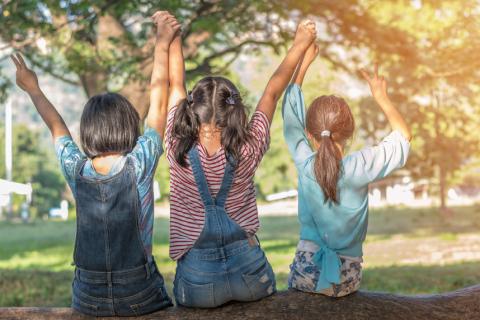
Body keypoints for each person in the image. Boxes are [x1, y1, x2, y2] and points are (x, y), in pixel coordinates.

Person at [10, 11, 180, 316]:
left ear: (88, 131)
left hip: (88, 297)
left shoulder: (76, 171)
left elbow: (56, 126)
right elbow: (158, 99)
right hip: (139, 293)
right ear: (130, 127)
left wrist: (33, 88)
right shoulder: (139, 164)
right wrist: (162, 43)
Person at [164, 20, 317, 307]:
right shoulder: (250, 146)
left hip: (198, 282)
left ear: (192, 109)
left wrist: (173, 37)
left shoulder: (176, 147)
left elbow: (175, 84)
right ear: (234, 110)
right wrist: (300, 43)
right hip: (250, 275)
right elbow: (272, 92)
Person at [283, 43, 412, 297]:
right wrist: (381, 97)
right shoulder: (361, 166)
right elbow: (404, 137)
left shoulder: (304, 162)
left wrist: (303, 65)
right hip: (347, 279)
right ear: (349, 133)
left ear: (310, 135)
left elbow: (290, 119)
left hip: (305, 273)